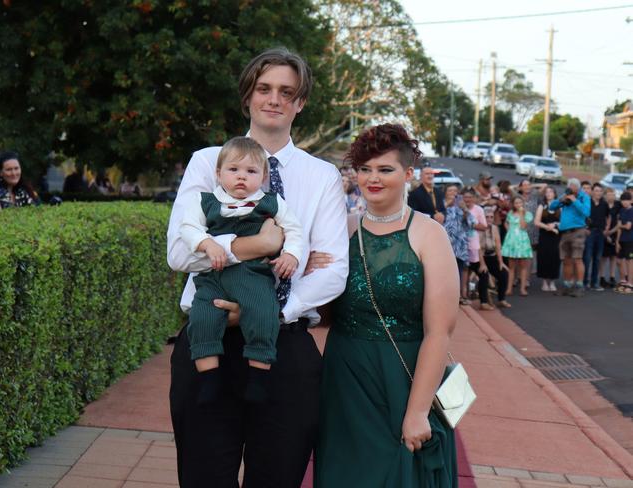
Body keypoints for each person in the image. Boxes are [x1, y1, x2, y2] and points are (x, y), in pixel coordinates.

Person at [166, 47, 349, 487]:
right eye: (264, 88)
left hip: (284, 346)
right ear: (248, 95)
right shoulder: (208, 162)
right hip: (209, 345)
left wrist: (263, 308)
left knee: (277, 479)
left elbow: (333, 271)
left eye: (287, 92)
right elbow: (179, 254)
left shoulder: (321, 175)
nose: (275, 99)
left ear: (300, 102)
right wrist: (262, 244)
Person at [315, 123, 458, 487]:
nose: (372, 179)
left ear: (408, 174)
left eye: (385, 169)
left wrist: (418, 411)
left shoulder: (429, 234)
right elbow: (320, 314)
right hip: (344, 377)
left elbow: (439, 332)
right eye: (364, 169)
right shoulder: (340, 228)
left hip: (406, 376)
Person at [179, 137, 303, 404]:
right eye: (233, 170)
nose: (241, 178)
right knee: (202, 316)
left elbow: (294, 229)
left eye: (251, 172)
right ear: (218, 173)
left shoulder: (271, 202)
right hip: (213, 277)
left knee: (263, 313)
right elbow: (187, 228)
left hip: (253, 275)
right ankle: (208, 380)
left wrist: (292, 254)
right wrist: (207, 243)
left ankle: (258, 379)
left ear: (264, 175)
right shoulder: (206, 201)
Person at [549, 178, 591, 297]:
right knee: (566, 260)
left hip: (578, 231)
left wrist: (574, 200)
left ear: (578, 188)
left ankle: (579, 286)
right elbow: (551, 207)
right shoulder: (566, 194)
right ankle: (567, 286)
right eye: (570, 189)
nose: (571, 191)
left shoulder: (584, 197)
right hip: (565, 232)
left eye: (574, 189)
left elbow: (587, 212)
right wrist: (561, 200)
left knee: (577, 259)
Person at [442, 185, 474, 304]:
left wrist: (465, 209)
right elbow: (436, 219)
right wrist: (446, 204)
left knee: (458, 271)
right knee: (445, 270)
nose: (453, 193)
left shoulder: (461, 206)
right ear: (445, 193)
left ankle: (458, 296)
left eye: (455, 191)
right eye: (450, 190)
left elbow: (470, 223)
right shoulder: (441, 204)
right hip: (445, 244)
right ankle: (444, 296)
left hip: (459, 245)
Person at [477, 209, 511, 309]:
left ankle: (501, 299)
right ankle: (483, 302)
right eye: (487, 217)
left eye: (491, 217)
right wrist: (483, 264)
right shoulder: (479, 228)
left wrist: (501, 262)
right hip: (480, 257)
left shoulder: (495, 228)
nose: (489, 219)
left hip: (492, 256)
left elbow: (498, 246)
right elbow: (478, 248)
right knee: (484, 274)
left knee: (504, 273)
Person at [501, 196, 534, 296]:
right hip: (512, 241)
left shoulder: (527, 214)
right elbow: (506, 223)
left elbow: (523, 226)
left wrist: (521, 214)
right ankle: (509, 288)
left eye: (520, 202)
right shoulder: (510, 213)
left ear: (523, 203)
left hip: (522, 240)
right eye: (516, 203)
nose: (518, 205)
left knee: (523, 266)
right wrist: (509, 231)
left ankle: (523, 289)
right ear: (513, 204)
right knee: (511, 266)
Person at [461, 187, 488, 304]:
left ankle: (482, 299)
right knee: (464, 270)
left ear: (474, 198)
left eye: (470, 197)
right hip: (460, 244)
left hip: (474, 245)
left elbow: (484, 226)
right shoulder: (458, 209)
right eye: (465, 197)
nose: (467, 199)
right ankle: (463, 295)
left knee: (479, 272)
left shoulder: (478, 210)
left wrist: (470, 223)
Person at [582, 183, 609, 291]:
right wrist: (584, 228)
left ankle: (594, 283)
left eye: (600, 191)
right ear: (592, 192)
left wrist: (606, 228)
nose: (598, 193)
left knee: (597, 259)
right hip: (590, 233)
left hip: (600, 233)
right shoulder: (587, 202)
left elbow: (609, 217)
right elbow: (581, 216)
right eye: (596, 190)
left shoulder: (604, 204)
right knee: (587, 258)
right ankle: (584, 283)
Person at [534, 186, 561, 292]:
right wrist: (548, 227)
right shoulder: (542, 206)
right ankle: (544, 282)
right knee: (544, 257)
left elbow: (564, 221)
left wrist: (555, 225)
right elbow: (536, 222)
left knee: (555, 258)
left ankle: (553, 281)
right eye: (547, 192)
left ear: (555, 194)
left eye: (551, 191)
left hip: (556, 236)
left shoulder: (560, 206)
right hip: (544, 236)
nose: (549, 193)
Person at [600, 187, 620, 288]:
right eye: (609, 194)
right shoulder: (602, 205)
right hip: (603, 232)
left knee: (613, 257)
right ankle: (602, 277)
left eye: (613, 194)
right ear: (605, 196)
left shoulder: (618, 205)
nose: (611, 196)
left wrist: (612, 232)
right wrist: (605, 233)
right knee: (603, 257)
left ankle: (612, 277)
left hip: (614, 232)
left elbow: (619, 220)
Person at [614, 191, 633, 294]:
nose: (625, 202)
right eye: (623, 200)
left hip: (630, 240)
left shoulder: (631, 211)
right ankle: (623, 281)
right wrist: (617, 241)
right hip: (622, 240)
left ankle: (631, 284)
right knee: (619, 260)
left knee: (629, 262)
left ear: (631, 201)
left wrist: (620, 225)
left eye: (627, 200)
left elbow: (628, 226)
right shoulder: (621, 210)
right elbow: (620, 228)